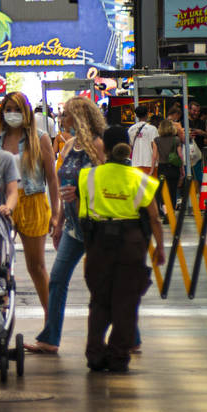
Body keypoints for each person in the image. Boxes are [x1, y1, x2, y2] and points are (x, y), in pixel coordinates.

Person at [78, 129, 166, 373]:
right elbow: (154, 218)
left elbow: (83, 213)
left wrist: (90, 249)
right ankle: (118, 358)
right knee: (126, 302)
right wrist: (159, 247)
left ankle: (95, 355)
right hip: (131, 243)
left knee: (99, 301)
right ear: (128, 147)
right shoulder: (141, 179)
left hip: (98, 243)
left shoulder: (88, 176)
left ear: (104, 148)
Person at [27, 96, 106, 355]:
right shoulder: (70, 145)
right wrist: (58, 222)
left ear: (80, 118)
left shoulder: (98, 145)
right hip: (73, 226)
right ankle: (50, 338)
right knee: (57, 280)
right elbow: (63, 188)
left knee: (103, 284)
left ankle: (128, 334)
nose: (63, 119)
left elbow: (106, 185)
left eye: (67, 116)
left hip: (96, 226)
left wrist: (82, 194)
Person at [0, 92, 60, 320]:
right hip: (3, 205)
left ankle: (51, 322)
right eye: (8, 108)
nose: (12, 113)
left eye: (17, 109)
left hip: (34, 201)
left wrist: (56, 214)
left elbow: (52, 178)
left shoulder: (39, 138)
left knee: (37, 267)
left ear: (27, 112)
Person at [154, 118, 184, 214]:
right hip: (174, 169)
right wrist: (182, 169)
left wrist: (151, 169)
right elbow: (180, 155)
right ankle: (171, 212)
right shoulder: (176, 139)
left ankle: (165, 212)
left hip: (162, 168)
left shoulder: (156, 140)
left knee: (162, 192)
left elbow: (154, 156)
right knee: (173, 191)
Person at [127, 104, 159, 176]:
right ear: (147, 114)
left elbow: (129, 148)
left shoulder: (131, 130)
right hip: (149, 164)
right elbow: (155, 149)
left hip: (135, 164)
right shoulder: (152, 129)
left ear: (137, 115)